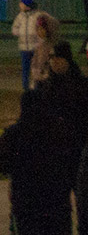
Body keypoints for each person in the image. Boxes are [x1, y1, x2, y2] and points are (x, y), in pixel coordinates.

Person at [0, 89, 74, 235]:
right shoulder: (59, 131)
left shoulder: (15, 133)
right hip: (56, 200)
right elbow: (69, 160)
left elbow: (4, 163)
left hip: (25, 199)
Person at [39, 40, 88, 230]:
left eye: (58, 58)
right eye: (51, 58)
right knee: (59, 203)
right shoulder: (45, 87)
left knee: (82, 200)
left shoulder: (80, 85)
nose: (54, 62)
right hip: (56, 153)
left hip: (77, 151)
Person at [16, 0, 49, 89]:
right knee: (28, 68)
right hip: (25, 47)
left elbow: (42, 30)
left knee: (36, 67)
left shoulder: (36, 16)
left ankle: (37, 85)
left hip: (35, 47)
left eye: (21, 3)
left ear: (26, 5)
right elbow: (15, 29)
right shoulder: (22, 16)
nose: (19, 5)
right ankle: (27, 86)